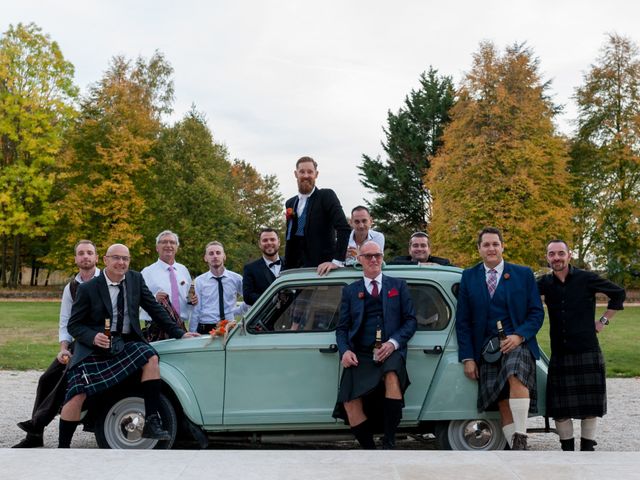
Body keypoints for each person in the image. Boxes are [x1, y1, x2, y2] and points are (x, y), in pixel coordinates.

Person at [57, 244, 199, 448]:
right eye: (116, 258)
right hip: (93, 347)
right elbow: (74, 325)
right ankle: (63, 448)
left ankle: (152, 420)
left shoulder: (135, 279)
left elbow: (154, 309)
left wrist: (180, 332)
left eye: (125, 258)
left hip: (124, 342)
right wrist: (93, 337)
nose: (121, 262)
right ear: (105, 260)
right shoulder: (88, 288)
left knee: (151, 356)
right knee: (77, 392)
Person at [455, 227, 544, 450]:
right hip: (486, 348)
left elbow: (536, 312)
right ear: (479, 249)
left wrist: (520, 336)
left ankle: (521, 436)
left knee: (515, 374)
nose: (491, 248)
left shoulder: (523, 274)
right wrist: (468, 358)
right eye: (486, 244)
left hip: (517, 342)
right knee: (502, 399)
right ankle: (517, 449)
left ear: (502, 246)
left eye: (495, 244)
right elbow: (463, 321)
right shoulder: (469, 276)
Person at [537, 239, 626, 451]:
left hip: (587, 348)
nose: (556, 258)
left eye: (560, 253)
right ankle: (566, 448)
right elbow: (519, 295)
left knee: (589, 405)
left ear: (569, 255)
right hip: (560, 351)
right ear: (547, 258)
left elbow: (619, 293)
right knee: (559, 407)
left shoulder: (587, 278)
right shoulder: (543, 283)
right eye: (552, 254)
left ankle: (587, 447)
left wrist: (603, 321)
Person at [13, 240, 100, 448]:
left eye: (89, 253)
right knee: (46, 378)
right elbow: (65, 322)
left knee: (66, 377)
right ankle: (35, 437)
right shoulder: (71, 287)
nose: (85, 256)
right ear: (76, 259)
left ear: (97, 257)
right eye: (81, 253)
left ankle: (36, 423)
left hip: (97, 342)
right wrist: (63, 348)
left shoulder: (105, 281)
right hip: (76, 344)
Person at [334, 241, 417, 449]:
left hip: (391, 350)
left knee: (391, 376)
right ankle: (370, 449)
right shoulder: (351, 291)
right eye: (368, 256)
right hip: (360, 353)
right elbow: (342, 328)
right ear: (360, 260)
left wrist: (393, 343)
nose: (373, 259)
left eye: (377, 256)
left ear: (382, 259)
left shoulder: (398, 285)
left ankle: (389, 442)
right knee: (348, 400)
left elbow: (411, 321)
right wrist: (345, 351)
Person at [283, 156, 351, 276]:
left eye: (310, 172)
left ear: (316, 174)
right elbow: (291, 241)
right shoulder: (290, 203)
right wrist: (285, 271)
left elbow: (344, 228)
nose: (306, 175)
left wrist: (337, 261)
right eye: (302, 172)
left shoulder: (326, 196)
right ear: (295, 174)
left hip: (323, 272)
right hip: (298, 272)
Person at [141, 230, 197, 338]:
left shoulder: (183, 270)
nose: (168, 245)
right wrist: (153, 299)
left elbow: (188, 298)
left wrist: (194, 300)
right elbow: (137, 300)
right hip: (156, 327)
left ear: (176, 248)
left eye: (172, 242)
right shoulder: (146, 272)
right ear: (157, 247)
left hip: (181, 326)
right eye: (164, 242)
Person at [190, 241, 248, 334]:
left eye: (218, 253)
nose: (215, 256)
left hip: (229, 326)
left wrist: (236, 311)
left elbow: (249, 299)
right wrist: (192, 331)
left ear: (224, 256)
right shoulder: (199, 281)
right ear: (206, 258)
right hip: (206, 327)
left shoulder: (236, 278)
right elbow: (196, 310)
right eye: (211, 253)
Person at [243, 228, 284, 306]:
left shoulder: (291, 263)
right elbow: (248, 297)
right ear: (259, 244)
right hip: (266, 317)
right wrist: (272, 299)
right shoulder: (250, 268)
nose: (269, 243)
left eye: (272, 239)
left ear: (279, 242)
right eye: (265, 240)